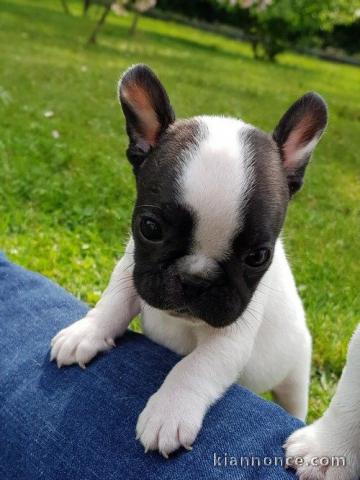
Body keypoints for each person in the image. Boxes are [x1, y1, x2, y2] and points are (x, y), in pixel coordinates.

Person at [0, 251, 302, 479]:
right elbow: (133, 260)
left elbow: (231, 341)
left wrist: (188, 389)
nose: (196, 277)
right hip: (169, 349)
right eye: (154, 229)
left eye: (252, 256)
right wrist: (101, 321)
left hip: (279, 366)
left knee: (294, 422)